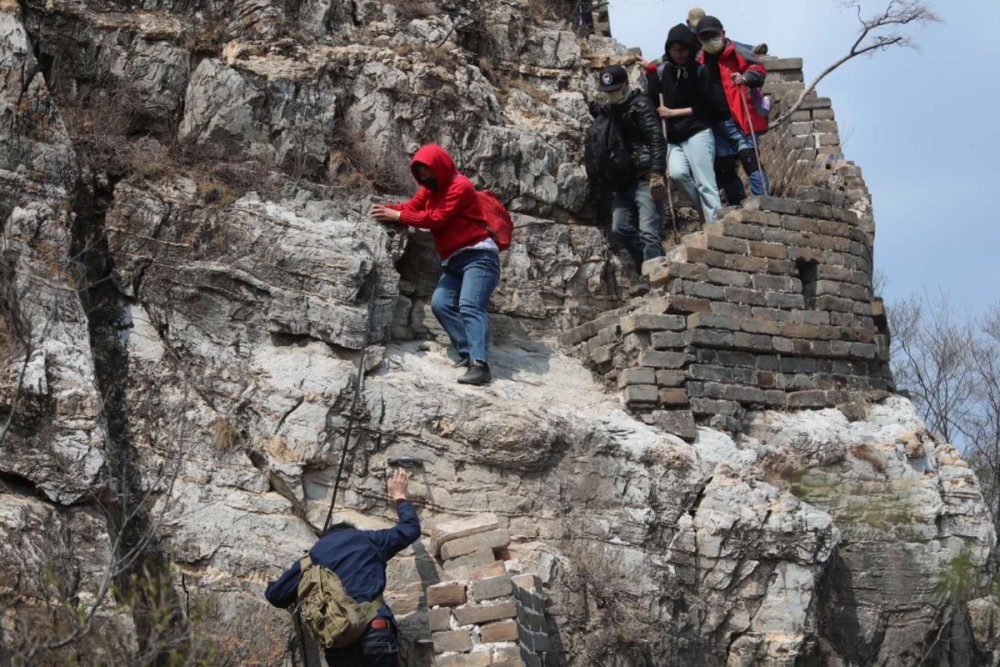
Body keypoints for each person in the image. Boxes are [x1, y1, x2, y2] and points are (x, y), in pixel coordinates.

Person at [370, 145, 500, 386]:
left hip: (479, 256)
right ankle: (467, 353)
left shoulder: (459, 186)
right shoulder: (430, 190)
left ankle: (481, 365)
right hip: (454, 260)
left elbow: (436, 220)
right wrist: (385, 210)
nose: (426, 179)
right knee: (441, 305)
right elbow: (410, 208)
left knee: (470, 305)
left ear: (440, 168)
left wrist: (396, 216)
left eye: (428, 173)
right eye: (421, 175)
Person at [265, 469, 420, 667]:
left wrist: (272, 581)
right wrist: (399, 496)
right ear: (351, 531)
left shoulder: (311, 558)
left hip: (338, 645)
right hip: (374, 630)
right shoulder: (369, 541)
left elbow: (276, 595)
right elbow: (410, 529)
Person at [593, 65, 667, 289]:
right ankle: (648, 267)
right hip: (623, 182)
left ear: (626, 85)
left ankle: (656, 281)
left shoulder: (642, 105)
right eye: (607, 91)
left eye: (615, 90)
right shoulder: (612, 110)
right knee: (620, 228)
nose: (611, 95)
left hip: (646, 177)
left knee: (648, 231)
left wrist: (657, 174)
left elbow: (656, 138)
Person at [648, 24, 722, 224]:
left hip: (697, 131)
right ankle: (705, 214)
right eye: (675, 50)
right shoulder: (662, 74)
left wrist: (673, 112)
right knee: (677, 174)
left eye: (683, 50)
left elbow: (706, 107)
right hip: (672, 137)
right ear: (668, 50)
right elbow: (651, 102)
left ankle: (716, 223)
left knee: (705, 182)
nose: (679, 54)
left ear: (691, 50)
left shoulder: (701, 71)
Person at [696, 15, 770, 205]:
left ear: (723, 34)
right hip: (713, 124)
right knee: (724, 166)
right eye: (705, 37)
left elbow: (759, 69)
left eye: (714, 35)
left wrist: (745, 78)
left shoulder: (736, 51)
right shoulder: (698, 60)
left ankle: (762, 202)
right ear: (698, 40)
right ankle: (738, 205)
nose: (710, 40)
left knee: (750, 159)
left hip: (738, 118)